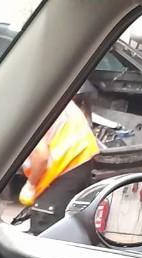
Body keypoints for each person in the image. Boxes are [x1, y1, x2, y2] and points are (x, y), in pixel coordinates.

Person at [19, 81, 101, 234]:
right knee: (71, 222)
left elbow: (40, 156)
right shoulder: (53, 100)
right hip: (82, 161)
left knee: (46, 227)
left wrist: (31, 184)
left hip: (65, 167)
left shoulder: (30, 110)